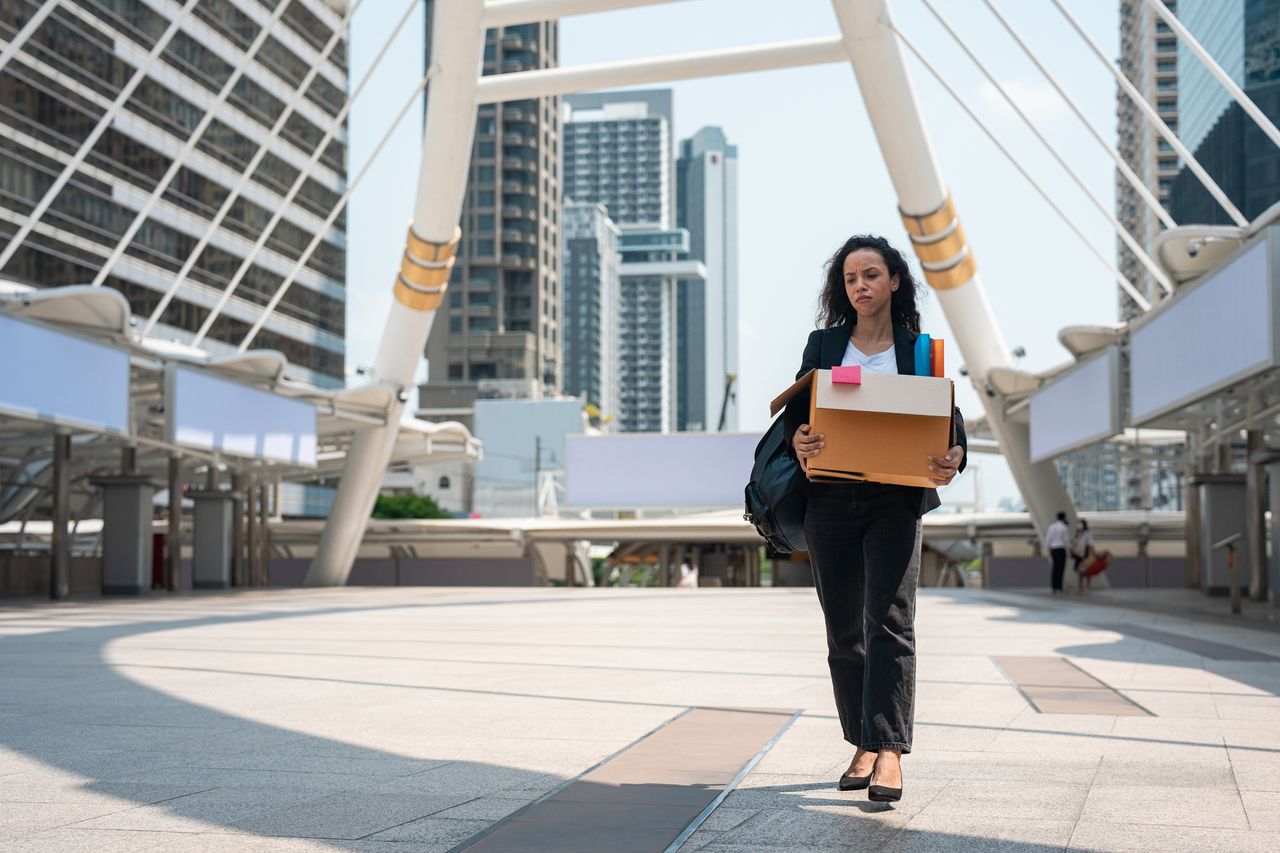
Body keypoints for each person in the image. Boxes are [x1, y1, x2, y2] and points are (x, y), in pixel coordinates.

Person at [784, 234, 967, 804]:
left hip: (895, 500)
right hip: (830, 500)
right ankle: (862, 741)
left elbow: (948, 419)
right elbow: (794, 415)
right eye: (849, 279)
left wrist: (955, 454)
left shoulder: (919, 352)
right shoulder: (824, 345)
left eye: (870, 275)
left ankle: (888, 752)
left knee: (889, 620)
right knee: (843, 628)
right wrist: (801, 438)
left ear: (893, 281)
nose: (859, 286)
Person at [1045, 511, 1070, 594]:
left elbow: (1048, 539)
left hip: (1053, 549)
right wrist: (1069, 549)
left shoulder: (1051, 526)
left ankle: (1054, 586)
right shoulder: (1063, 527)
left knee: (1054, 568)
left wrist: (1048, 549)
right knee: (1060, 568)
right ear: (1064, 517)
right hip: (1060, 549)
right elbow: (1065, 540)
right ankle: (1059, 586)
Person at [1071, 519, 1095, 585]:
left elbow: (1091, 543)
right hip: (1078, 554)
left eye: (1081, 524)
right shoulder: (1077, 533)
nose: (1079, 526)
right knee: (1079, 569)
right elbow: (1074, 543)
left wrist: (1093, 552)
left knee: (1087, 568)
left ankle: (1088, 584)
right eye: (1078, 525)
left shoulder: (1088, 533)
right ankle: (1080, 584)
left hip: (1085, 553)